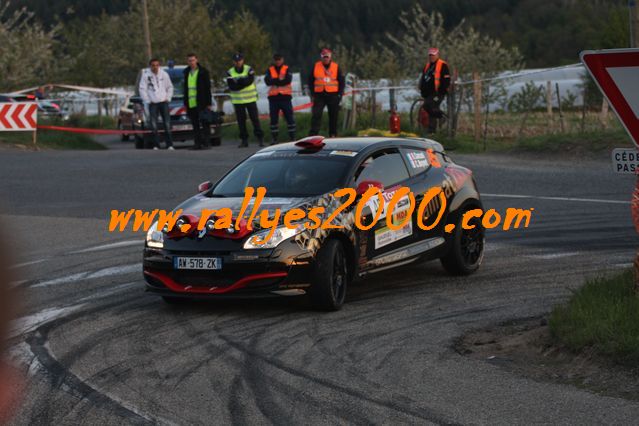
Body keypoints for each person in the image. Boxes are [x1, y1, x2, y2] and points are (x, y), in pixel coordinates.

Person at [226, 53, 264, 148]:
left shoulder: (249, 69)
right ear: (233, 61)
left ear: (243, 60)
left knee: (255, 120)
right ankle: (244, 140)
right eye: (236, 61)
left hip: (250, 99)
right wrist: (242, 82)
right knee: (241, 122)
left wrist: (239, 82)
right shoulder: (230, 72)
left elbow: (249, 81)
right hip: (238, 101)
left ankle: (260, 139)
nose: (238, 62)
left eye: (239, 60)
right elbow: (232, 86)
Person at [308, 48, 345, 138]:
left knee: (333, 116)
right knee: (316, 115)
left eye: (327, 57)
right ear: (321, 57)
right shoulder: (316, 66)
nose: (325, 59)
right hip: (319, 95)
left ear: (330, 57)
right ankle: (313, 135)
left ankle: (333, 134)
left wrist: (339, 94)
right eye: (324, 57)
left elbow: (341, 81)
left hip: (333, 95)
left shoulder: (336, 67)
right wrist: (313, 93)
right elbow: (310, 80)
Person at [139, 58, 174, 150]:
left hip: (164, 102)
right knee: (153, 125)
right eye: (153, 65)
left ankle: (169, 145)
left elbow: (170, 87)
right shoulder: (146, 75)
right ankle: (156, 145)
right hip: (153, 103)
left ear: (159, 66)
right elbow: (142, 89)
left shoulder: (164, 74)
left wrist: (168, 98)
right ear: (150, 66)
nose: (155, 67)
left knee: (167, 124)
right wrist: (147, 100)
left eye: (156, 65)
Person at [182, 53, 213, 150]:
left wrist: (208, 103)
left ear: (197, 60)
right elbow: (186, 88)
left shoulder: (203, 72)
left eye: (193, 60)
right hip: (191, 103)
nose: (191, 62)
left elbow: (208, 88)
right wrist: (185, 102)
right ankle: (197, 143)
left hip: (202, 102)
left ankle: (207, 143)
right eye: (189, 60)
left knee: (204, 124)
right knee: (195, 125)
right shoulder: (186, 72)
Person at [264, 53, 296, 144]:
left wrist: (274, 81)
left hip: (285, 97)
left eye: (279, 59)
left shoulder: (287, 69)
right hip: (273, 98)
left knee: (289, 118)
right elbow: (267, 81)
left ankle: (292, 138)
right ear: (274, 60)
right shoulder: (270, 70)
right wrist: (280, 81)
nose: (278, 61)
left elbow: (287, 80)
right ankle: (274, 139)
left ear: (282, 60)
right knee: (273, 120)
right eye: (276, 59)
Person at [419, 47, 451, 134]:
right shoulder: (427, 65)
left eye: (433, 55)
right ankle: (432, 131)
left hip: (438, 92)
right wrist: (422, 89)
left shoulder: (442, 64)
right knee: (430, 109)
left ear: (437, 55)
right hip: (428, 93)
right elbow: (423, 78)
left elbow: (446, 79)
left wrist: (442, 90)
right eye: (430, 55)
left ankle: (442, 117)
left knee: (429, 106)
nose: (431, 57)